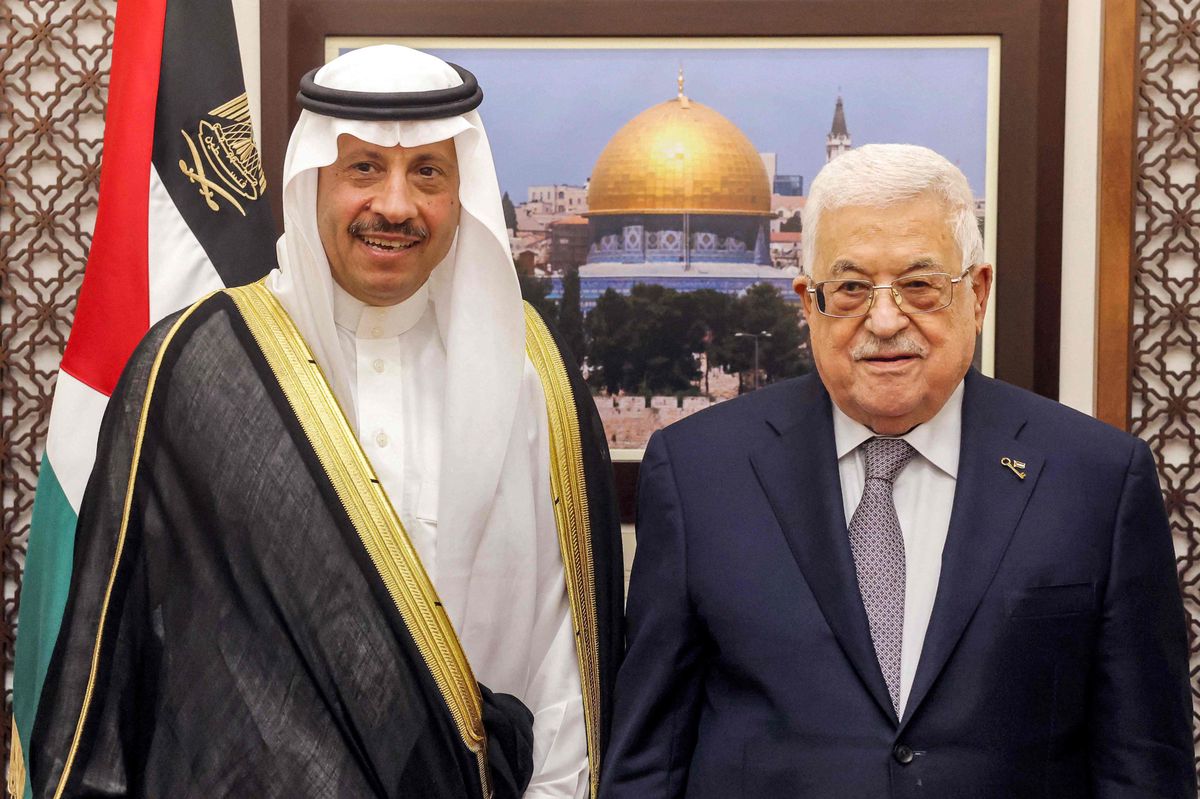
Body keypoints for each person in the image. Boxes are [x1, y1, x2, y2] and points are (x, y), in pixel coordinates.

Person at [28, 45, 622, 799]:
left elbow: (567, 654)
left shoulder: (532, 372)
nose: (396, 206)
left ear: (462, 191)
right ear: (311, 180)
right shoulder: (201, 364)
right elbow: (125, 656)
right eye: (363, 168)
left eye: (428, 173)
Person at [602, 144, 1194, 798]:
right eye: (852, 288)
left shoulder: (1097, 480)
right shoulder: (700, 474)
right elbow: (648, 761)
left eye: (919, 285)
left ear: (978, 294)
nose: (884, 322)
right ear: (808, 302)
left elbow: (1145, 768)